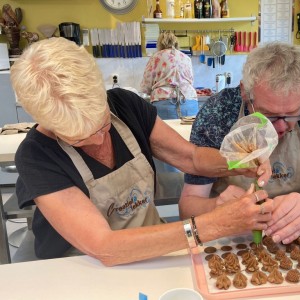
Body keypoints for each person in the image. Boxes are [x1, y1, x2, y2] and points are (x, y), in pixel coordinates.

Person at [10, 37, 273, 266]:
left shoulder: (125, 106)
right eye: (80, 139)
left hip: (156, 247)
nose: (100, 138)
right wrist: (217, 223)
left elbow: (191, 158)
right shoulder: (36, 155)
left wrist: (240, 161)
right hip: (83, 264)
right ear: (49, 125)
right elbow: (105, 246)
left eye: (103, 123)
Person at [179, 42, 300, 245]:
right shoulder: (218, 113)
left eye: (293, 114)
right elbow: (188, 206)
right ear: (245, 93)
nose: (282, 126)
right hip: (232, 240)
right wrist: (217, 207)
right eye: (268, 114)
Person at [140, 31, 198, 120]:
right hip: (189, 102)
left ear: (159, 44)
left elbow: (145, 86)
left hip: (164, 104)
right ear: (176, 43)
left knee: (164, 134)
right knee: (187, 133)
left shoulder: (156, 57)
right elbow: (191, 81)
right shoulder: (186, 58)